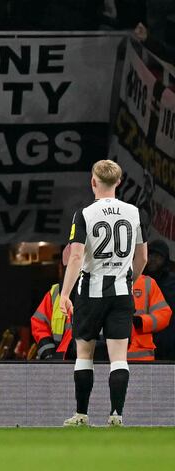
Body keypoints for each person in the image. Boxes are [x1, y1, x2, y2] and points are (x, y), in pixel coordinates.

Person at [59, 160, 148, 427]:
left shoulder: (84, 214)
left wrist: (65, 293)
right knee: (119, 357)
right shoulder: (134, 212)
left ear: (93, 181)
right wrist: (130, 279)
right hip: (121, 293)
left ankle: (82, 415)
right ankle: (116, 415)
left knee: (84, 353)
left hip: (90, 292)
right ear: (118, 182)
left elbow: (75, 257)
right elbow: (142, 257)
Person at [146, 240, 175, 360]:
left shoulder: (172, 282)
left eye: (158, 256)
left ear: (165, 260)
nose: (153, 259)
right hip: (144, 341)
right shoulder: (138, 280)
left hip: (169, 341)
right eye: (150, 255)